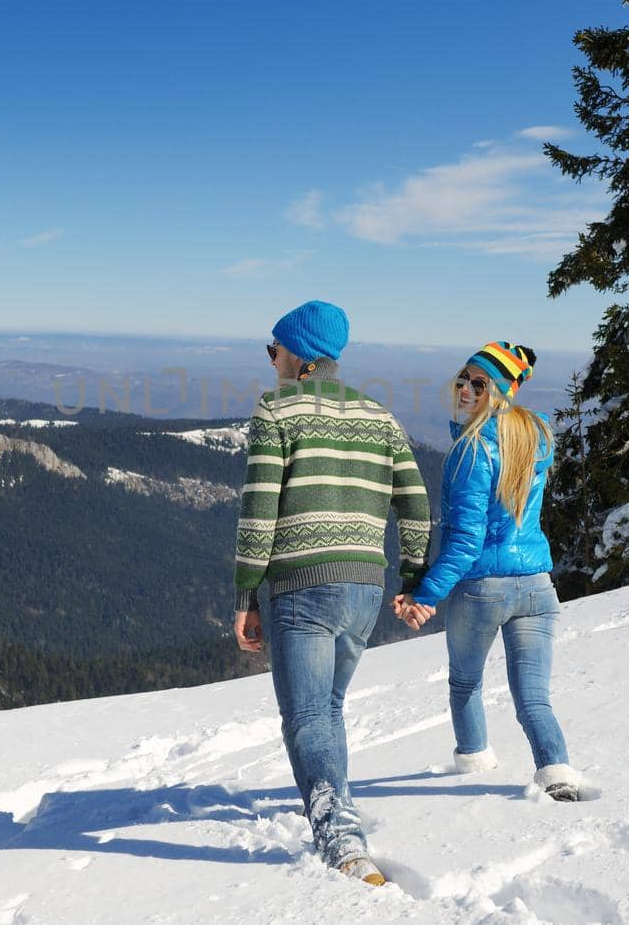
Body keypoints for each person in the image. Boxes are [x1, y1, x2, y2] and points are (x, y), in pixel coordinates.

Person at [233, 300, 431, 886]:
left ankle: (343, 844)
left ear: (296, 354)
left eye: (274, 352)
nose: (272, 364)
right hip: (365, 589)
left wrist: (245, 594)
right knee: (327, 709)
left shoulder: (276, 409)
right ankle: (332, 805)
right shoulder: (380, 416)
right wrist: (412, 575)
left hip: (301, 587)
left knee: (309, 716)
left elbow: (258, 509)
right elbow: (417, 504)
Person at [394, 341, 584, 802]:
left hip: (482, 588)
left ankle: (473, 759)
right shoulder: (536, 438)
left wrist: (425, 595)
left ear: (498, 391)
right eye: (462, 378)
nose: (464, 388)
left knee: (465, 682)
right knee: (533, 695)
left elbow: (465, 542)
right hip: (537, 585)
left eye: (478, 383)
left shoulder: (471, 451)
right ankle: (556, 773)